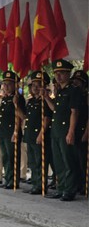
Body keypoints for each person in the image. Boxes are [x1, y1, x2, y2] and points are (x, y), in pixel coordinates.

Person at [44, 59, 81, 201]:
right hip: (56, 131)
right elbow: (55, 110)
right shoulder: (60, 92)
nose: (58, 76)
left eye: (62, 73)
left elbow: (74, 112)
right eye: (56, 73)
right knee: (58, 161)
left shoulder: (73, 91)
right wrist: (47, 98)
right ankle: (61, 187)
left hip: (66, 131)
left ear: (68, 74)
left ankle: (70, 190)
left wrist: (71, 131)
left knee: (68, 161)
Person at [23, 72, 53, 195]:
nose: (35, 87)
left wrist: (41, 134)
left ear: (44, 86)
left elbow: (47, 119)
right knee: (33, 162)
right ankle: (35, 183)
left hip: (39, 135)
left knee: (40, 162)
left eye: (38, 85)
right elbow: (25, 117)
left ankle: (41, 185)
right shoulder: (31, 101)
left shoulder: (45, 101)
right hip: (30, 135)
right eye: (33, 85)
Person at [0, 71, 26, 190]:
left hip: (12, 131)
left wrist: (15, 132)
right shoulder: (5, 98)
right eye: (4, 84)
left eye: (9, 84)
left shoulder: (18, 98)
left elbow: (20, 116)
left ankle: (14, 181)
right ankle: (7, 179)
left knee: (12, 157)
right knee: (5, 156)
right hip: (3, 130)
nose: (6, 86)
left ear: (15, 85)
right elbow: (2, 114)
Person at [69, 69, 88, 195]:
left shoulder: (86, 97)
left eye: (79, 81)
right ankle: (76, 184)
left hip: (83, 132)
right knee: (73, 160)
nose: (75, 83)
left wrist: (87, 133)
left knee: (83, 161)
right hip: (74, 131)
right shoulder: (73, 95)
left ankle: (84, 186)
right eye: (74, 80)